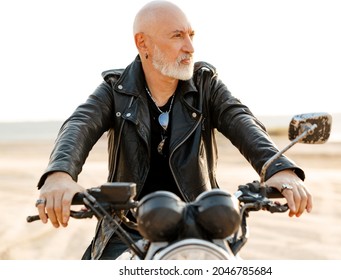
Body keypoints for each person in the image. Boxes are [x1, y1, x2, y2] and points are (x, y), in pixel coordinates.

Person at [35, 0, 312, 260]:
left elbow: (241, 120)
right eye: (178, 36)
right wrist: (60, 175)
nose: (190, 47)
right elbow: (80, 124)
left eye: (192, 35)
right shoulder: (115, 89)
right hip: (128, 228)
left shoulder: (206, 85)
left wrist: (279, 170)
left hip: (203, 223)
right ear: (143, 43)